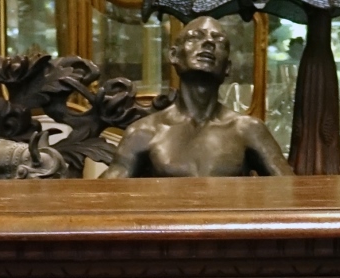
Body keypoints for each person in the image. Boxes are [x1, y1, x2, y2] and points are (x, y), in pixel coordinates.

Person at [103, 17, 290, 178]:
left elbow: (293, 192)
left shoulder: (248, 130)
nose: (208, 43)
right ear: (174, 55)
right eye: (195, 37)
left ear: (228, 68)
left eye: (219, 41)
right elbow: (101, 196)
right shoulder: (144, 132)